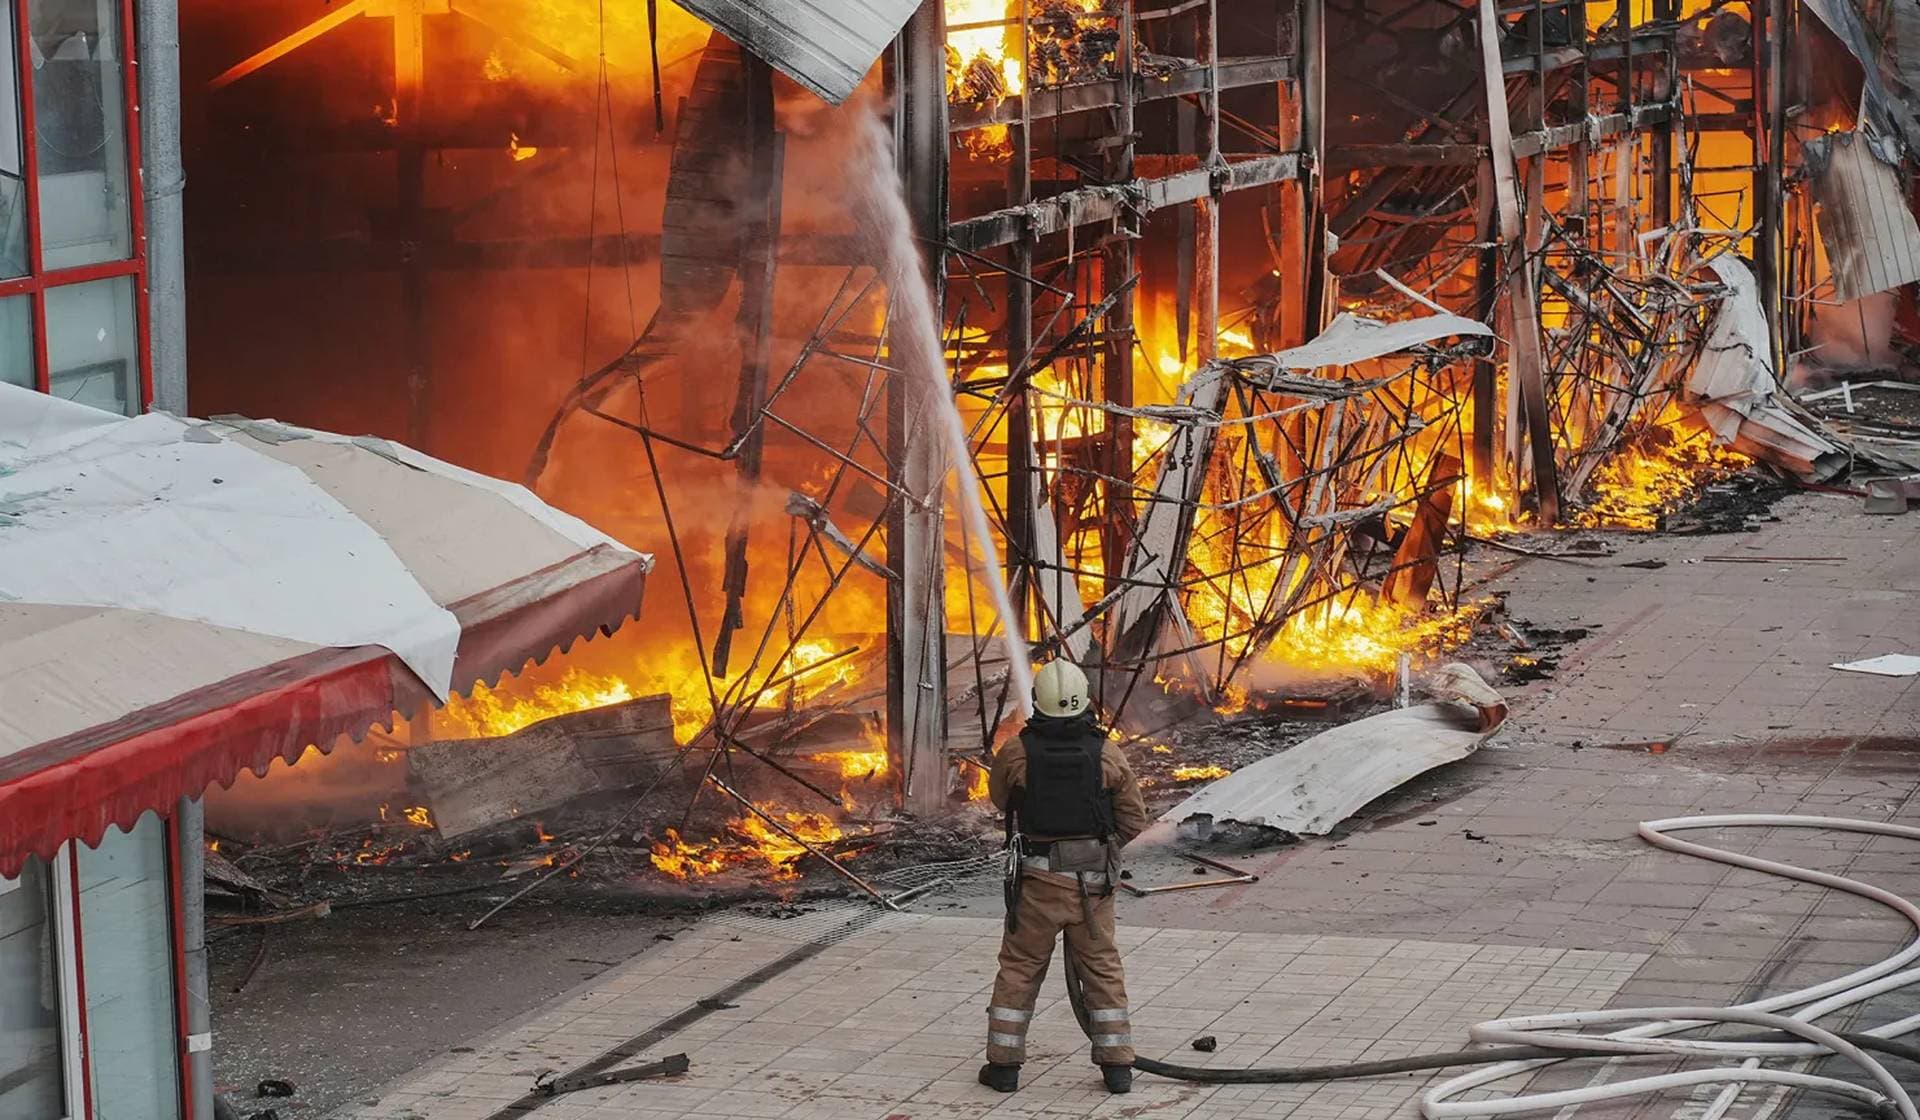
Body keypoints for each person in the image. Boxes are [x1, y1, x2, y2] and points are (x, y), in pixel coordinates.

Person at [979, 658, 1149, 1096]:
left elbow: (1001, 800)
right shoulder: (1107, 752)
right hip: (1093, 886)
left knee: (1019, 969)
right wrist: (1100, 850)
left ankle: (1004, 1068)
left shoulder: (1016, 751)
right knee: (1102, 969)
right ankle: (1117, 1068)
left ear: (1037, 703)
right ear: (1085, 702)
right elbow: (1133, 818)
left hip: (1036, 885)